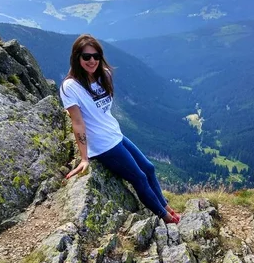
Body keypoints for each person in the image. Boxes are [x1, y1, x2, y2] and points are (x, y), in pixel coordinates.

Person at [60, 34, 180, 224]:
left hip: (115, 134)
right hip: (102, 146)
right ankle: (166, 218)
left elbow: (99, 108)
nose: (92, 60)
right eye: (86, 57)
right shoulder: (70, 87)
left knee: (149, 168)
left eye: (96, 56)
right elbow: (77, 123)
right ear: (77, 58)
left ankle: (165, 206)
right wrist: (84, 158)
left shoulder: (104, 75)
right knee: (139, 178)